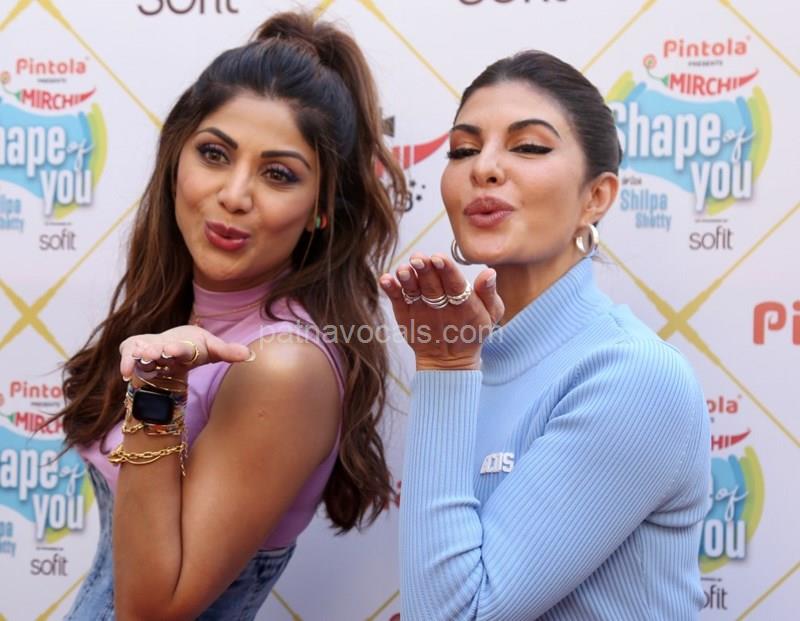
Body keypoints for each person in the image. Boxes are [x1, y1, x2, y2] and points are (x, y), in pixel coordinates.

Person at [56, 11, 406, 620]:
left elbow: (148, 610)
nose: (235, 194)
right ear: (176, 159)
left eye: (278, 174)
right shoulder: (181, 313)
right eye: (215, 154)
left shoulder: (281, 366)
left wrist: (157, 390)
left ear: (321, 208)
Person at [380, 50, 710, 620]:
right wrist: (449, 364)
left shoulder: (634, 377)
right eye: (462, 150)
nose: (484, 168)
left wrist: (446, 367)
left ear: (596, 197)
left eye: (529, 147)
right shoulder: (466, 355)